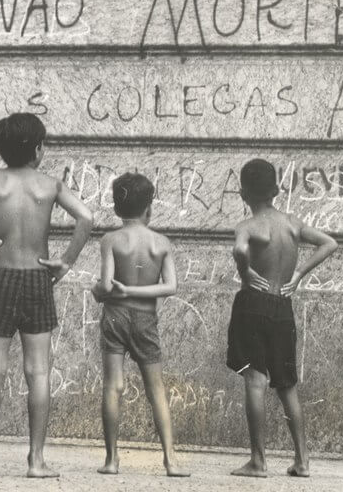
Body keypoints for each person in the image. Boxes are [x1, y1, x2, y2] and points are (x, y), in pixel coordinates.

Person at [0, 113, 93, 477]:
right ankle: (37, 461)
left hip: (0, 278)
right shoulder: (50, 185)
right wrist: (66, 262)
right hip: (38, 278)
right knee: (38, 371)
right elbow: (86, 218)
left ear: (1, 148)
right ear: (39, 149)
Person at [227, 158, 337, 478]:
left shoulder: (248, 226)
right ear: (276, 190)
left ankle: (258, 461)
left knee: (255, 380)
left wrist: (244, 269)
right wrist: (300, 272)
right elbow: (330, 243)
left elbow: (239, 249)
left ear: (243, 194)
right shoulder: (292, 223)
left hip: (253, 304)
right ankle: (302, 461)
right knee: (287, 385)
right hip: (281, 306)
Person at [90, 172, 189, 478]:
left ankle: (111, 459)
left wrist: (102, 291)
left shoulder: (111, 240)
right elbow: (170, 286)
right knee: (156, 389)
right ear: (150, 207)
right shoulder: (160, 242)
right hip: (146, 319)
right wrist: (137, 293)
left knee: (113, 386)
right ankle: (170, 459)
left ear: (117, 207)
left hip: (115, 316)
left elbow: (106, 286)